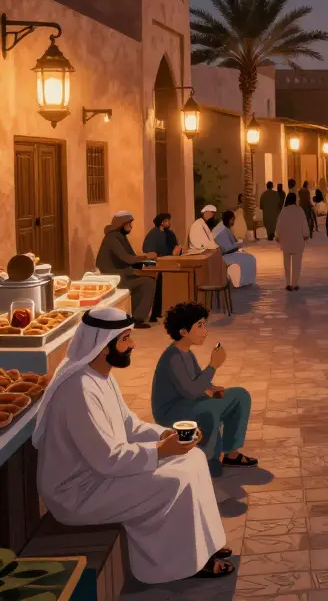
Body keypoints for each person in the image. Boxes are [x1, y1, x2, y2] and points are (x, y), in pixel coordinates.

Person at [33, 307, 232, 581]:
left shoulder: (101, 378)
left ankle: (207, 546)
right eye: (125, 339)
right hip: (80, 492)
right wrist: (162, 451)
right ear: (104, 346)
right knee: (173, 480)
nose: (133, 345)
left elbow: (129, 425)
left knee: (194, 458)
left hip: (100, 476)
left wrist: (165, 436)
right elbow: (108, 460)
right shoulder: (78, 390)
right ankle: (181, 565)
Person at [152, 302, 256, 477]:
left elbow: (199, 381)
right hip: (171, 410)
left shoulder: (187, 353)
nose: (205, 330)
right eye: (199, 325)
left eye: (204, 324)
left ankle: (232, 453)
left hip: (188, 402)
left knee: (240, 396)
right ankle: (208, 461)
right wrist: (213, 365)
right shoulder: (173, 357)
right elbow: (191, 391)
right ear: (184, 332)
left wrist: (212, 389)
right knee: (209, 410)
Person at [95, 211, 157, 327]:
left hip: (120, 274)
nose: (131, 227)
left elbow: (131, 257)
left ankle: (140, 316)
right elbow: (127, 258)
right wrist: (145, 257)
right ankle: (137, 319)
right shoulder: (112, 238)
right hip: (113, 277)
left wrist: (144, 260)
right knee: (148, 282)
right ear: (121, 224)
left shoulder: (119, 236)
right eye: (129, 224)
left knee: (147, 279)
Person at [213, 210, 257, 287]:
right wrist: (239, 244)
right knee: (249, 258)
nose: (234, 221)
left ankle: (246, 282)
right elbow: (226, 249)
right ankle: (242, 282)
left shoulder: (225, 228)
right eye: (233, 219)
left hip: (228, 254)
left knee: (250, 258)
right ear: (230, 219)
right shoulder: (222, 231)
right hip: (224, 257)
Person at [275, 193, 308, 291]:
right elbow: (304, 224)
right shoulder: (300, 210)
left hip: (286, 241)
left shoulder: (283, 211)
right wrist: (305, 235)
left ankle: (288, 283)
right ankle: (295, 283)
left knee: (286, 263)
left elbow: (279, 225)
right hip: (298, 241)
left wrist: (277, 236)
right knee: (297, 264)